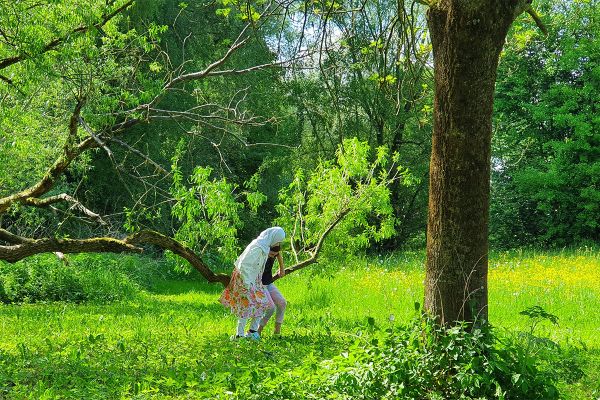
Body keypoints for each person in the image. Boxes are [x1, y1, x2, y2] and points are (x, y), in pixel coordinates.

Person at [219, 227, 285, 340]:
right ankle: (239, 335)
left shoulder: (265, 246)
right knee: (246, 306)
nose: (278, 243)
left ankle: (252, 332)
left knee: (263, 303)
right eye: (278, 240)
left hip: (256, 280)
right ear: (274, 237)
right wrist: (247, 283)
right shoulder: (257, 247)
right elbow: (244, 265)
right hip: (245, 279)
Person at [258, 245, 287, 336]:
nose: (272, 256)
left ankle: (277, 332)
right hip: (259, 285)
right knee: (271, 308)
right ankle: (257, 331)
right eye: (271, 254)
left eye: (274, 254)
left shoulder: (275, 252)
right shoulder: (260, 252)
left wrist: (281, 268)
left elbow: (278, 254)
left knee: (282, 303)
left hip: (268, 283)